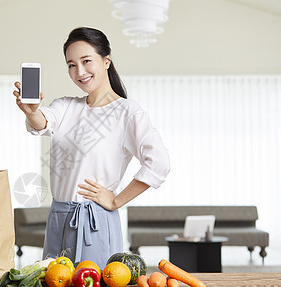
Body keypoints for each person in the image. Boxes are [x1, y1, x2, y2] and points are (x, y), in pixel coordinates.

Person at [13, 27, 170, 269]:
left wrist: (116, 200)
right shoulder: (65, 106)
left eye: (87, 61)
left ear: (106, 61)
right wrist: (32, 111)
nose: (80, 71)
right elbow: (42, 123)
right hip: (59, 218)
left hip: (96, 221)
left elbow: (158, 163)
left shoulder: (128, 113)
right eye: (71, 65)